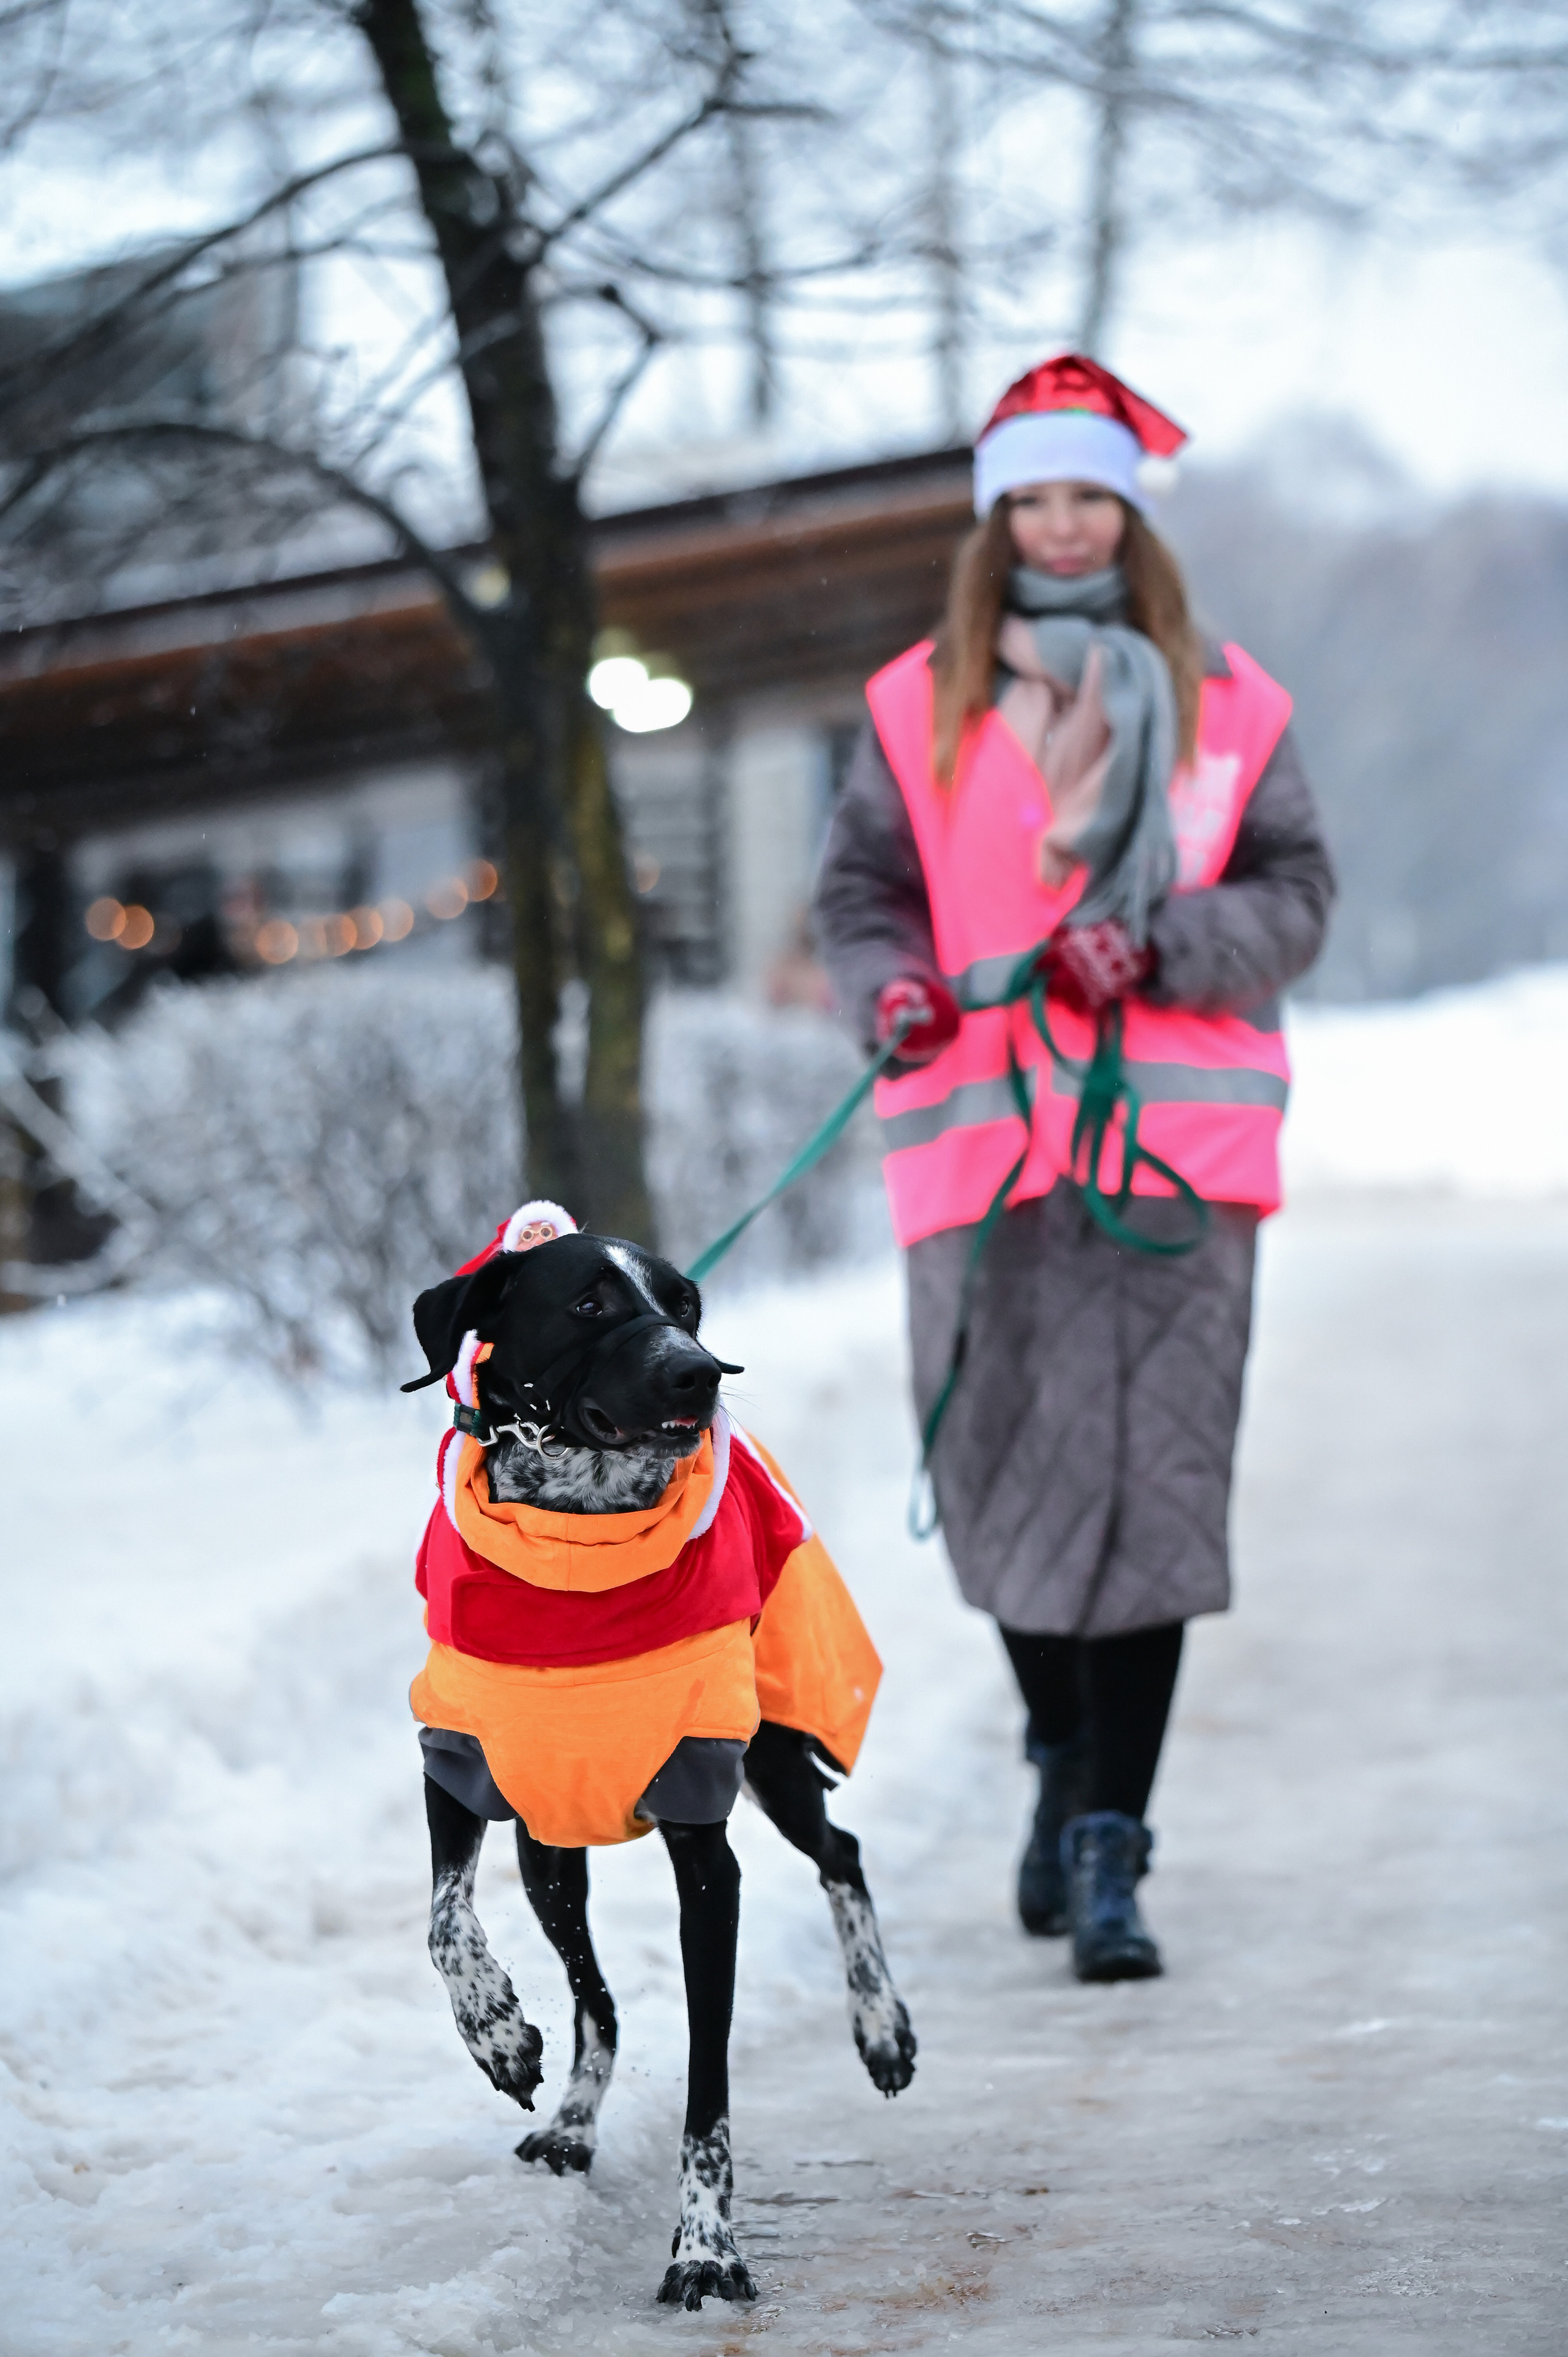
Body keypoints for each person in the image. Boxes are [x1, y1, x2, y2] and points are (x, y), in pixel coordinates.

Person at [813, 353, 1335, 1983]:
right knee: (1009, 1487)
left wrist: (1171, 943)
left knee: (1158, 1497)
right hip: (981, 1151)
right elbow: (860, 896)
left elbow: (1299, 891)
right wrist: (891, 991)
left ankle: (1114, 1845)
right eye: (1028, 498)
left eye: (1085, 495)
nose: (1055, 524)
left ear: (1130, 512)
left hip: (1175, 1164)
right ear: (992, 520)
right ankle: (1061, 1762)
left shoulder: (1236, 701)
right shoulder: (917, 703)